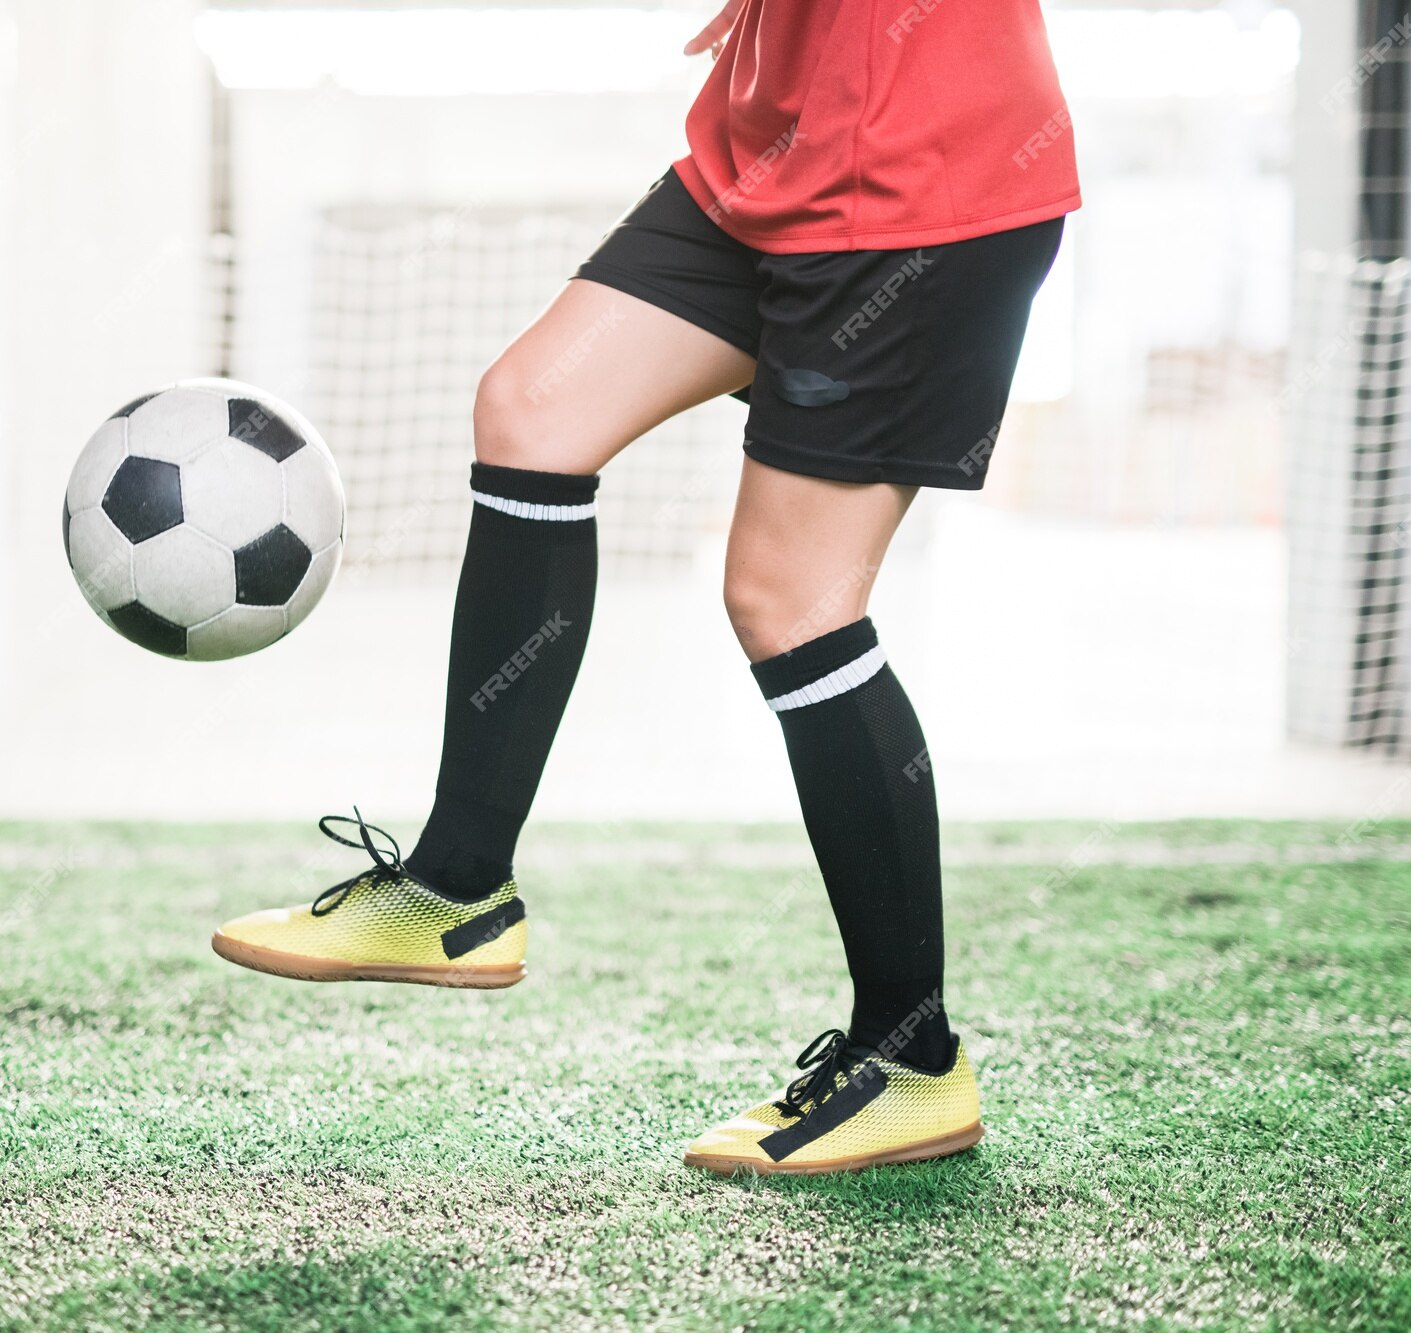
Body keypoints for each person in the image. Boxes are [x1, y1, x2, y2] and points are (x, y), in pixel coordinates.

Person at [211, 0, 1080, 1177]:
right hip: (766, 154)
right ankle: (458, 891)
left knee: (790, 598)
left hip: (912, 183)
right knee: (533, 408)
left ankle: (909, 1056)